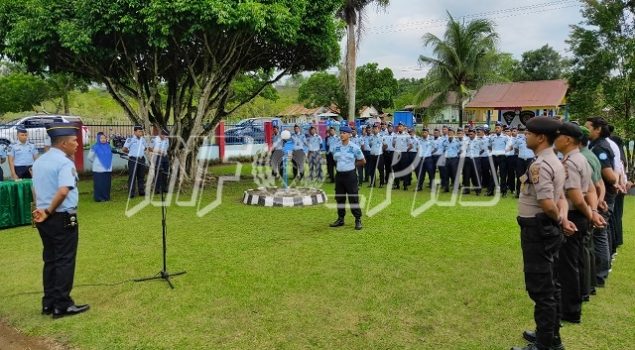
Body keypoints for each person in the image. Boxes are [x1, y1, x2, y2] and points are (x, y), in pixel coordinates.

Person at [513, 116, 571, 350]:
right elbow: (561, 198)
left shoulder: (540, 165)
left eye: (528, 133)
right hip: (544, 229)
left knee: (541, 288)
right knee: (550, 284)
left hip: (538, 231)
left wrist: (559, 220)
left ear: (540, 137)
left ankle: (546, 344)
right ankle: (549, 335)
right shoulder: (554, 161)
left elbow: (548, 203)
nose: (524, 136)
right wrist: (562, 220)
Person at [32, 123, 89, 319]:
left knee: (50, 260)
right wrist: (48, 210)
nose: (77, 145)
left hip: (44, 218)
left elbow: (35, 188)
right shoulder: (65, 163)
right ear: (64, 143)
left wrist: (40, 209)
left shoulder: (40, 161)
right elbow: (64, 190)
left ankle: (48, 303)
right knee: (65, 260)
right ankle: (62, 305)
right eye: (74, 141)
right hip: (61, 216)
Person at [553, 122, 604, 324]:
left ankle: (570, 310)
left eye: (558, 136)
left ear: (567, 140)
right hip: (582, 215)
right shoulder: (581, 158)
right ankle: (577, 300)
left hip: (574, 215)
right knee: (576, 261)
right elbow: (591, 189)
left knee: (567, 265)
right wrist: (591, 211)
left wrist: (589, 213)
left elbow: (575, 194)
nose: (554, 139)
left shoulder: (570, 163)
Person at [584, 117, 617, 287]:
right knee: (600, 232)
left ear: (597, 129)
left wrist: (614, 184)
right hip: (600, 195)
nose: (585, 130)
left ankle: (600, 274)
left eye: (588, 127)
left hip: (602, 197)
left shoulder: (600, 147)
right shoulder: (598, 145)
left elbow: (610, 175)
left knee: (599, 233)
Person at [329, 125, 366, 230]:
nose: (342, 134)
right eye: (341, 132)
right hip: (339, 176)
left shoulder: (354, 147)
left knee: (353, 198)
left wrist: (352, 165)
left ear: (349, 134)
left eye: (344, 133)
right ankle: (340, 219)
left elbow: (363, 161)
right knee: (340, 198)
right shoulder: (336, 147)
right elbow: (336, 159)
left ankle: (358, 219)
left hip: (350, 176)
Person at [122, 125, 148, 198]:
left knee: (141, 176)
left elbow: (145, 148)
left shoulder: (143, 139)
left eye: (141, 131)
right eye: (139, 131)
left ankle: (141, 191)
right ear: (135, 131)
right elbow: (124, 149)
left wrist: (140, 152)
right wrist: (131, 152)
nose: (141, 133)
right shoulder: (130, 139)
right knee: (132, 176)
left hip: (141, 159)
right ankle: (131, 193)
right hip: (133, 159)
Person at [88, 132, 113, 202]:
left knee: (106, 184)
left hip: (107, 169)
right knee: (99, 184)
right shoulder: (95, 147)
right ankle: (99, 198)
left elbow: (110, 156)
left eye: (104, 138)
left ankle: (106, 197)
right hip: (98, 169)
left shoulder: (108, 146)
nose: (103, 139)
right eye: (101, 138)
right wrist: (96, 162)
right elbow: (90, 157)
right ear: (98, 138)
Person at [150, 128, 170, 194]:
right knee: (158, 173)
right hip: (157, 157)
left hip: (165, 157)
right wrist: (158, 151)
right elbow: (150, 148)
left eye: (166, 136)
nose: (165, 137)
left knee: (165, 173)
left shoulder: (167, 139)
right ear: (160, 134)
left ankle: (164, 188)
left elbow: (167, 148)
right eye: (164, 135)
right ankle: (157, 189)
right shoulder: (154, 139)